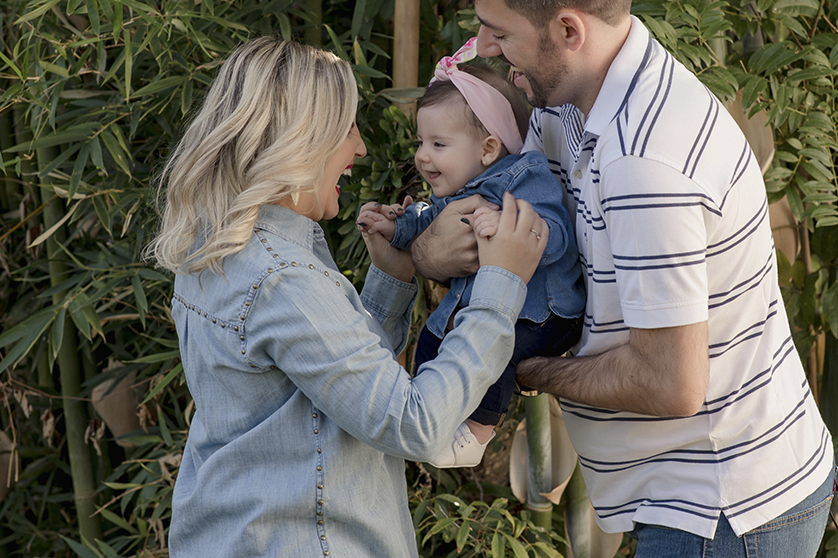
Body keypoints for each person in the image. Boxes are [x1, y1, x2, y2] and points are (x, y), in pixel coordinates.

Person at [410, 0, 835, 556]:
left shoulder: (646, 166)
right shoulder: (578, 100)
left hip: (723, 507)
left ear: (569, 28)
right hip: (714, 487)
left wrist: (516, 362)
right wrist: (430, 250)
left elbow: (670, 383)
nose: (485, 49)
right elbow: (476, 207)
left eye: (498, 32)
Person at [146, 37, 550, 558]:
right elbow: (415, 423)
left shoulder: (217, 247)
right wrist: (501, 281)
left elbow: (337, 390)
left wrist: (393, 279)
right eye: (348, 128)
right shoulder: (282, 278)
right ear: (302, 139)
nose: (359, 148)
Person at [358, 39, 585, 468]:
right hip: (483, 307)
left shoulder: (524, 176)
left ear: (487, 148)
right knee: (433, 340)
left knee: (497, 349)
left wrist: (508, 227)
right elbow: (429, 224)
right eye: (421, 142)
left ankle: (479, 433)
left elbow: (556, 234)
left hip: (541, 314)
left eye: (438, 144)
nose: (423, 157)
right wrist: (396, 227)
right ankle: (434, 418)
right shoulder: (460, 188)